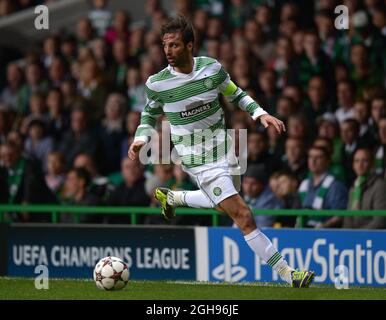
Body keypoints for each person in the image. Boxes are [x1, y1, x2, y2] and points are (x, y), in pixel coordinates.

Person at [128, 15, 314, 288]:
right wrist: (140, 138)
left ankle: (174, 198)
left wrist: (260, 114)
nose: (168, 51)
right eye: (165, 45)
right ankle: (290, 275)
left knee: (221, 206)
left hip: (226, 149)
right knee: (243, 214)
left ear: (190, 45)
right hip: (197, 158)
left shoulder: (212, 70)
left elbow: (236, 94)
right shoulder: (157, 84)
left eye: (175, 45)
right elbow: (148, 116)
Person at [298, 146, 348, 228]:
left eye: (318, 157)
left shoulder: (335, 186)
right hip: (304, 231)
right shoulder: (304, 184)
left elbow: (340, 215)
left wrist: (322, 227)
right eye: (310, 157)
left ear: (327, 161)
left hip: (326, 235)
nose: (313, 161)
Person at [343, 148, 386, 229]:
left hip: (372, 238)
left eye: (364, 161)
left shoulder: (380, 186)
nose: (360, 165)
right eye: (357, 161)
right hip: (355, 239)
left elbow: (381, 220)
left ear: (372, 164)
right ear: (353, 165)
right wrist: (347, 234)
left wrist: (360, 235)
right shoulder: (354, 187)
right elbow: (348, 218)